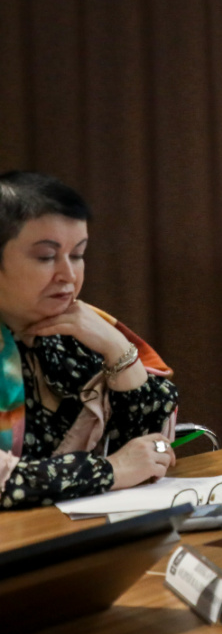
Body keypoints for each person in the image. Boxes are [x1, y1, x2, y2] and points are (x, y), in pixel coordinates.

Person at [0, 172, 178, 509]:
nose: (68, 274)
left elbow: (153, 449)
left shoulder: (79, 331)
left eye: (78, 254)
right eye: (46, 257)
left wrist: (118, 350)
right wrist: (111, 470)